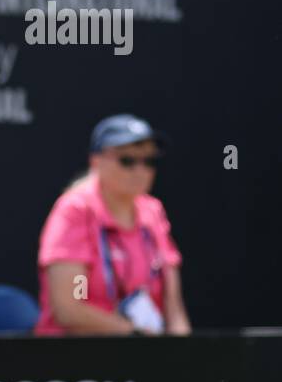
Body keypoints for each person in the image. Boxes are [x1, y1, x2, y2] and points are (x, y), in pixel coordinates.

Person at [35, 113, 190, 336]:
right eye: (127, 161)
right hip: (76, 357)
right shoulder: (76, 211)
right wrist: (132, 334)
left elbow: (173, 306)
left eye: (149, 161)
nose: (141, 171)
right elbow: (70, 309)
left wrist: (184, 353)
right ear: (96, 161)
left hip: (143, 355)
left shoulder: (153, 211)